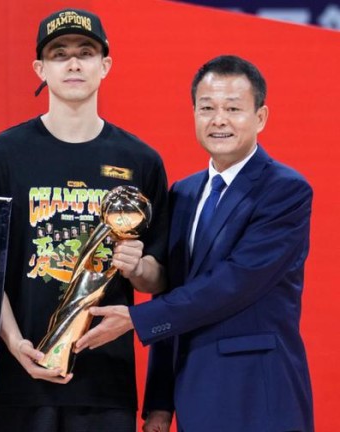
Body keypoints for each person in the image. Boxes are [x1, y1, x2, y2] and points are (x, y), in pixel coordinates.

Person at [76, 55, 314, 432]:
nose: (218, 120)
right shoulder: (183, 193)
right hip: (193, 397)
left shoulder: (285, 191)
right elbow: (171, 291)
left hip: (259, 396)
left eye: (233, 108)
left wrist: (137, 319)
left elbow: (234, 283)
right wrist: (159, 403)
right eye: (207, 108)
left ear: (261, 117)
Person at [0, 8, 169, 432]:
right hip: (19, 378)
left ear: (105, 65)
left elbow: (159, 278)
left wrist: (137, 267)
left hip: (105, 383)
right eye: (59, 54)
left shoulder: (141, 161)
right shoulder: (1, 156)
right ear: (40, 69)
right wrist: (13, 342)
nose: (73, 63)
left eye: (85, 52)